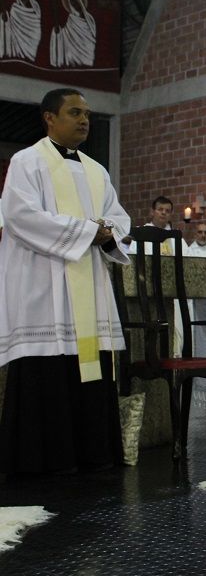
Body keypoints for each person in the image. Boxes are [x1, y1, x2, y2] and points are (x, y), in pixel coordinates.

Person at [0, 88, 130, 475]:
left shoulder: (96, 170)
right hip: (43, 283)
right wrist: (87, 231)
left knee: (88, 368)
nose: (84, 120)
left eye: (87, 114)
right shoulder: (27, 162)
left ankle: (92, 454)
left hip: (87, 283)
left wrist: (107, 231)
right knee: (46, 370)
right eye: (74, 113)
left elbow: (118, 218)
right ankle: (42, 461)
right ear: (49, 118)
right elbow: (21, 216)